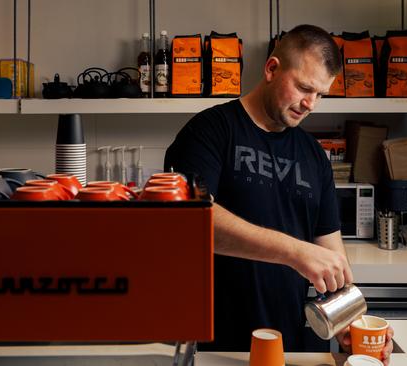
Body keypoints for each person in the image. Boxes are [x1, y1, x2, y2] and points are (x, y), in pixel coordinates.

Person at [164, 24, 393, 364]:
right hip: (217, 346)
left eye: (320, 94)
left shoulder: (314, 156)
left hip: (293, 346)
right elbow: (190, 221)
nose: (310, 104)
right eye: (304, 87)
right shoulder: (209, 131)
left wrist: (349, 320)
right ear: (271, 68)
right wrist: (296, 252)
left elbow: (332, 259)